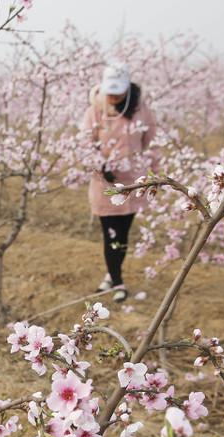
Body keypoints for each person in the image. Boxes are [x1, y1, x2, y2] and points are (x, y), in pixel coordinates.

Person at [81, 62, 158, 303]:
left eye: (118, 91)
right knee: (111, 233)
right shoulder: (94, 110)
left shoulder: (141, 109)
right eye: (110, 91)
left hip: (133, 182)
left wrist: (152, 175)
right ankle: (118, 282)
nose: (113, 96)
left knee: (122, 234)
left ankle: (110, 274)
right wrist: (102, 166)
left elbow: (151, 141)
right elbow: (85, 144)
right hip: (105, 183)